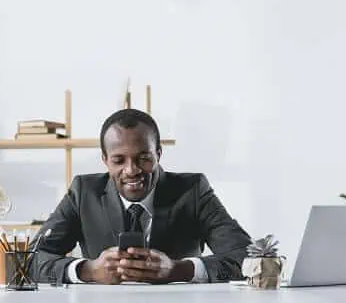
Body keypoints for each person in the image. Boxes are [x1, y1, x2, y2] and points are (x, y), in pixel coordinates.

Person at [29, 108, 252, 285]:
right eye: (118, 160)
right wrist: (88, 270)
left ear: (158, 154)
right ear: (105, 160)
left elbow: (248, 258)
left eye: (143, 158)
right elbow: (28, 261)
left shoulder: (193, 190)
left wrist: (178, 270)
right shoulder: (83, 192)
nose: (131, 170)